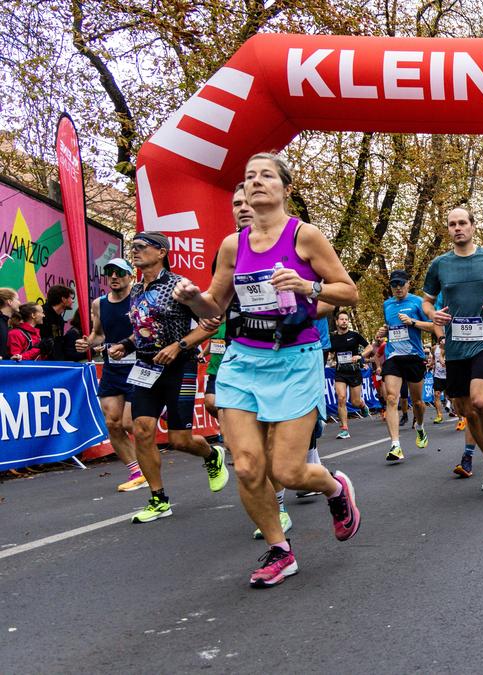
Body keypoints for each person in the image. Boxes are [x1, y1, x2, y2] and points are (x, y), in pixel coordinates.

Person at [174, 153, 363, 587]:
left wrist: (307, 285)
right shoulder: (231, 245)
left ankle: (335, 489)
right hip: (243, 359)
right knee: (245, 465)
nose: (256, 182)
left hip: (295, 360)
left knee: (288, 471)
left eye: (266, 176)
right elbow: (214, 307)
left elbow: (348, 292)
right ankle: (280, 550)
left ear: (285, 189)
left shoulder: (305, 236)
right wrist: (190, 298)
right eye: (249, 176)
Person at [107, 231, 226, 524]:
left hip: (180, 367)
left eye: (140, 247)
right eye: (132, 247)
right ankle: (158, 499)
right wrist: (126, 344)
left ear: (161, 252)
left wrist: (180, 346)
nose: (134, 251)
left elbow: (211, 324)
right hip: (147, 369)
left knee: (179, 440)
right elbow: (142, 329)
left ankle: (212, 456)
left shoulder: (178, 286)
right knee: (143, 429)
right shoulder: (135, 291)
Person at [422, 206, 483, 489]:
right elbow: (427, 300)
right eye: (452, 224)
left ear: (473, 226)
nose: (457, 228)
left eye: (462, 223)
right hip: (455, 347)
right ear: (448, 229)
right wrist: (432, 314)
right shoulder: (439, 265)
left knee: (479, 400)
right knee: (465, 409)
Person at [75, 258, 144, 491]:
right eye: (109, 272)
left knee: (129, 423)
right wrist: (87, 342)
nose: (113, 276)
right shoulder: (99, 304)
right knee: (112, 423)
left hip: (138, 366)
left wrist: (126, 345)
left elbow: (147, 331)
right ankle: (137, 471)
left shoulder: (139, 298)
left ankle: (148, 464)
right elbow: (99, 334)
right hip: (113, 368)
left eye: (119, 272)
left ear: (129, 276)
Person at [381, 269, 435, 460]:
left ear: (408, 284)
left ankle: (420, 426)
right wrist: (383, 332)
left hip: (414, 356)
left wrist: (413, 322)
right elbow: (390, 328)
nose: (397, 288)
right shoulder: (387, 305)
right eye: (394, 285)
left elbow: (434, 325)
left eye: (400, 284)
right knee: (391, 398)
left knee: (418, 402)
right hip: (393, 356)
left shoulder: (418, 302)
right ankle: (395, 445)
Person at [329, 310, 372, 440]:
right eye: (341, 319)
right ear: (337, 322)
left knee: (355, 402)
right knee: (341, 398)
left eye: (346, 319)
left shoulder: (354, 335)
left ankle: (363, 406)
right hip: (340, 372)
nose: (344, 321)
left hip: (354, 372)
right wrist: (331, 359)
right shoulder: (333, 338)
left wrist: (360, 356)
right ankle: (344, 429)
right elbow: (330, 353)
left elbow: (369, 347)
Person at [40, 284, 75, 361]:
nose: (73, 301)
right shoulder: (41, 315)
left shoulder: (60, 319)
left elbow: (58, 342)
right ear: (63, 299)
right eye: (71, 298)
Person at [430, 337, 449, 423]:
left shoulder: (450, 349)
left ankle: (459, 414)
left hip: (449, 375)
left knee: (452, 397)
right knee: (436, 394)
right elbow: (434, 358)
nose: (443, 342)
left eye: (445, 340)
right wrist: (431, 364)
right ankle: (439, 415)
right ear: (439, 342)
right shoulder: (434, 348)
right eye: (441, 340)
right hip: (438, 375)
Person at [0, 287, 17, 360]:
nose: (19, 302)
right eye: (17, 299)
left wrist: (9, 358)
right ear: (9, 302)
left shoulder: (4, 321)